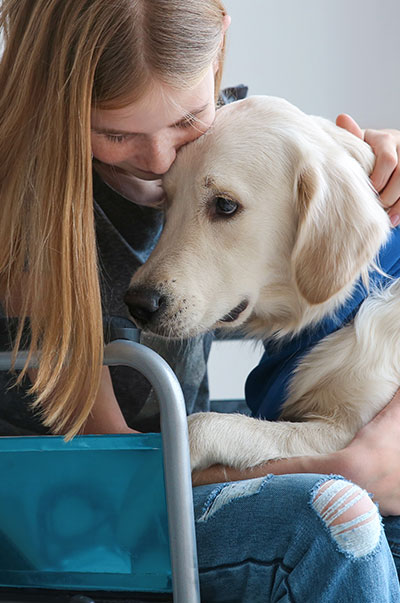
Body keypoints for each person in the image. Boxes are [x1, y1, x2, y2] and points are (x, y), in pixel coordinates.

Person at [1, 1, 400, 600]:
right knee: (330, 519)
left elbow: (317, 287)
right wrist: (346, 467)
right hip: (82, 517)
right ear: (55, 94)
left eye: (187, 118)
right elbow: (126, 487)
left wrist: (363, 173)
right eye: (117, 133)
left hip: (182, 469)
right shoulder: (25, 213)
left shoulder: (236, 142)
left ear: (217, 54)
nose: (163, 162)